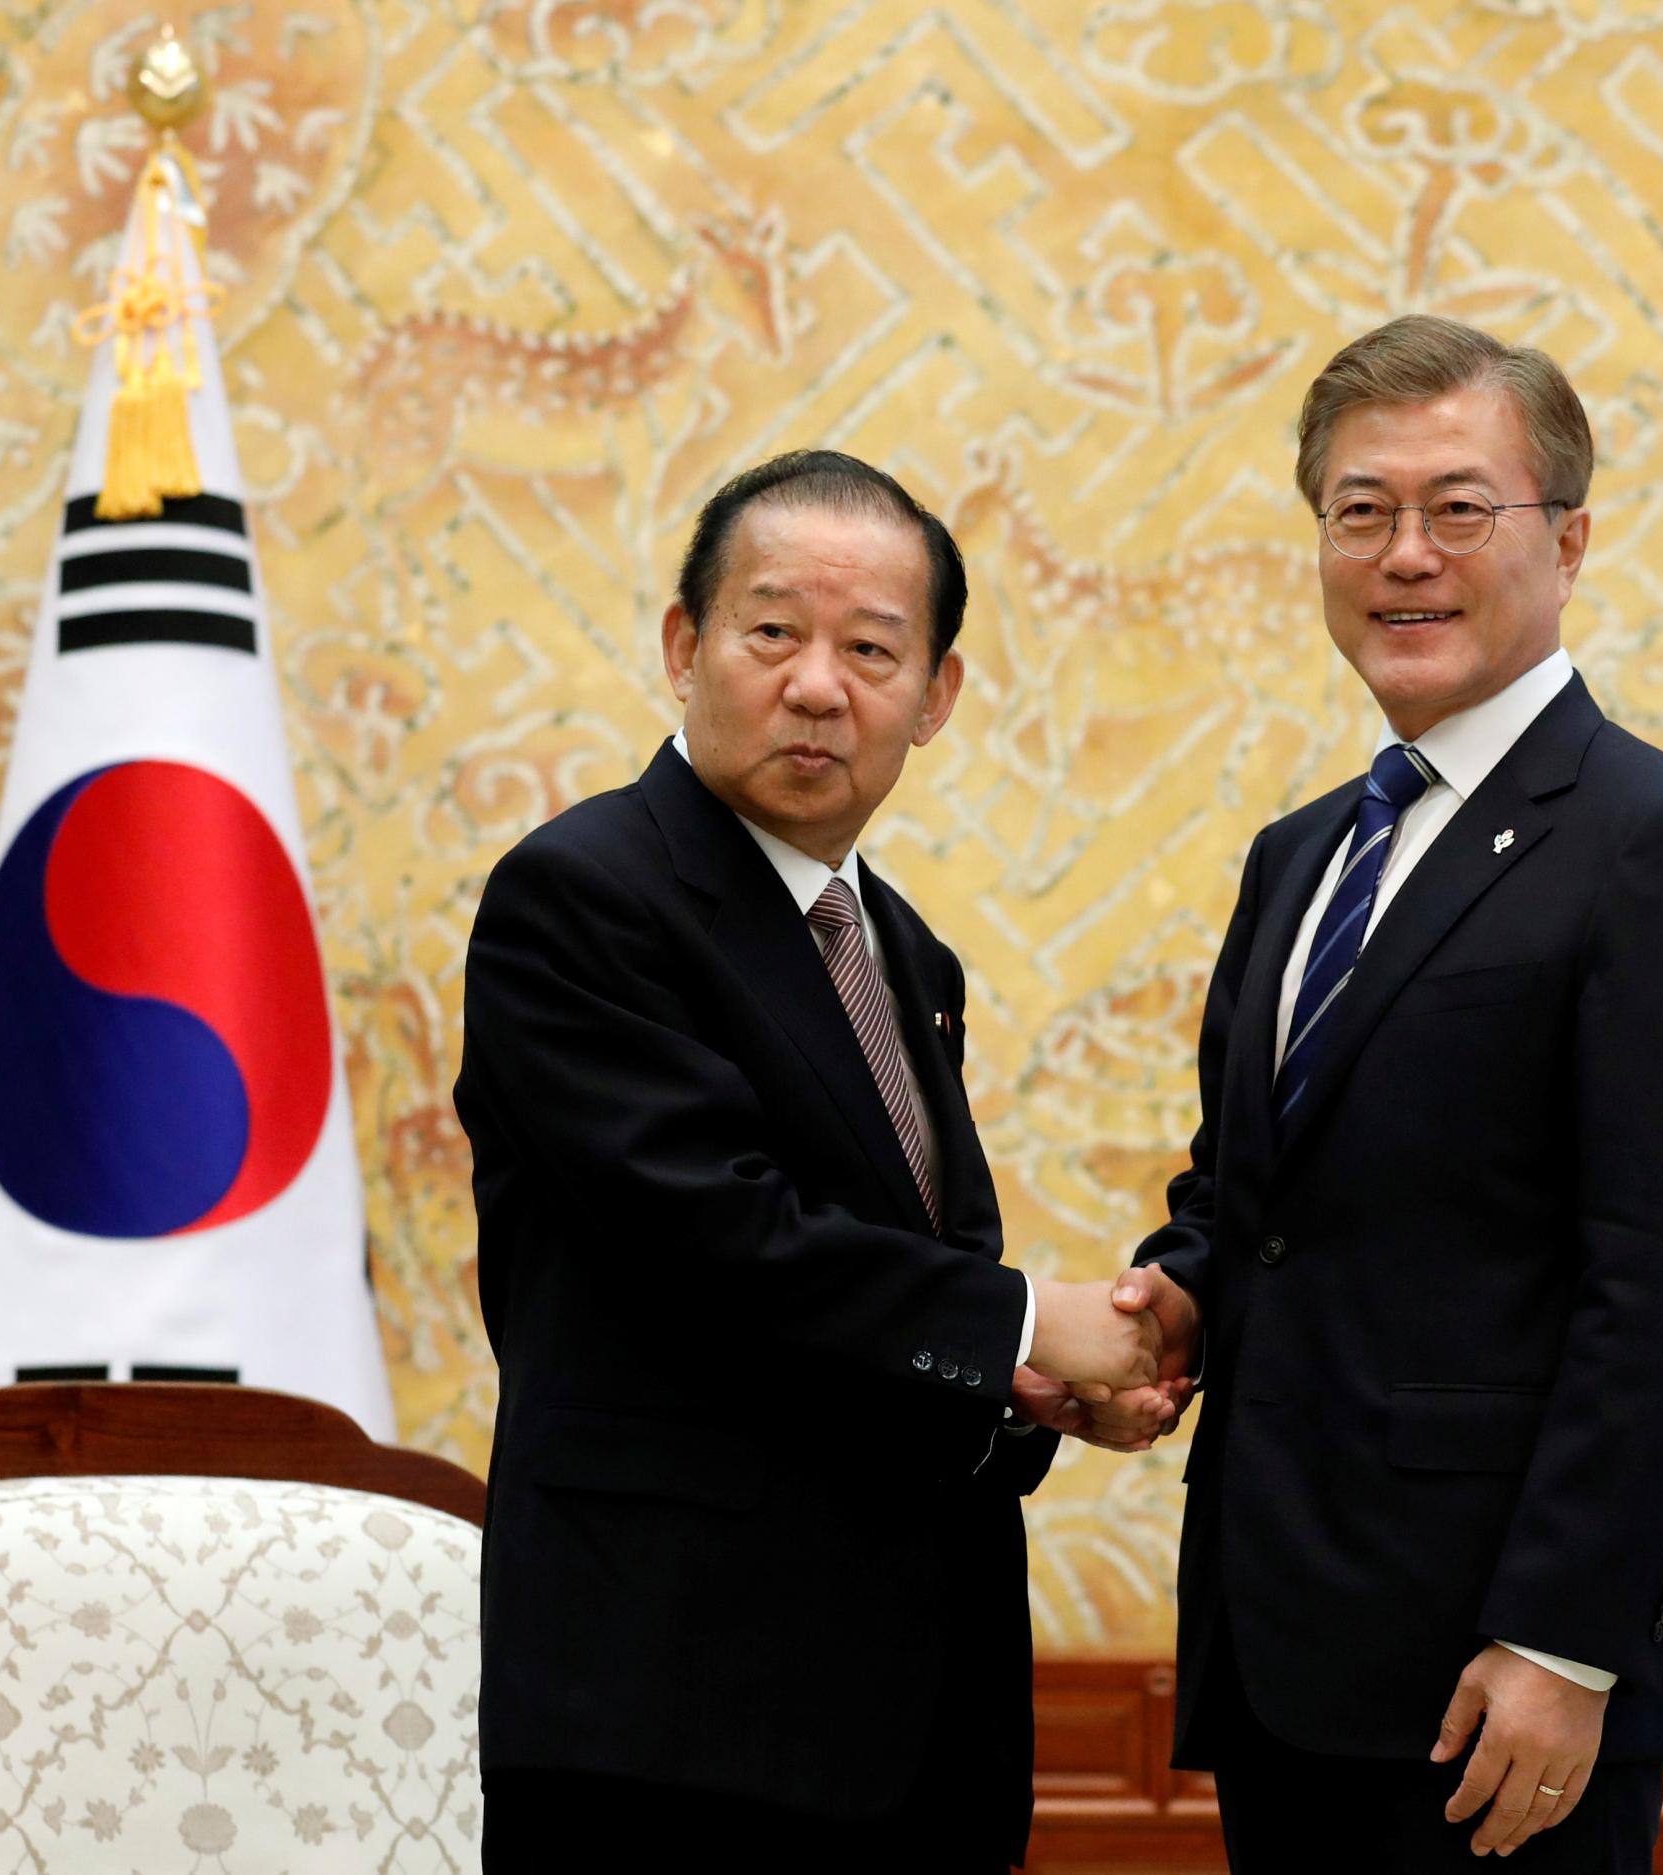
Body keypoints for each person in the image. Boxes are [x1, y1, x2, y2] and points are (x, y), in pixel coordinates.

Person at [1084, 316, 1663, 1870]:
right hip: (1284, 1642)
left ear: (1571, 539)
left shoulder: (1654, 844)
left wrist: (1566, 1639)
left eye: (1460, 509)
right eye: (1361, 511)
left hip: (1500, 1677)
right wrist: (1172, 1304)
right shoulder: (1304, 853)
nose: (1405, 555)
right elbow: (1253, 1198)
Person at [455, 450, 1159, 1873]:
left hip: (914, 1722)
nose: (819, 685)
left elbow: (897, 1280)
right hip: (670, 1720)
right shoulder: (583, 898)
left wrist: (1018, 1395)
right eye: (772, 632)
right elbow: (717, 1241)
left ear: (936, 696)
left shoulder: (908, 953)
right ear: (684, 646)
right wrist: (1025, 1320)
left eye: (871, 650)